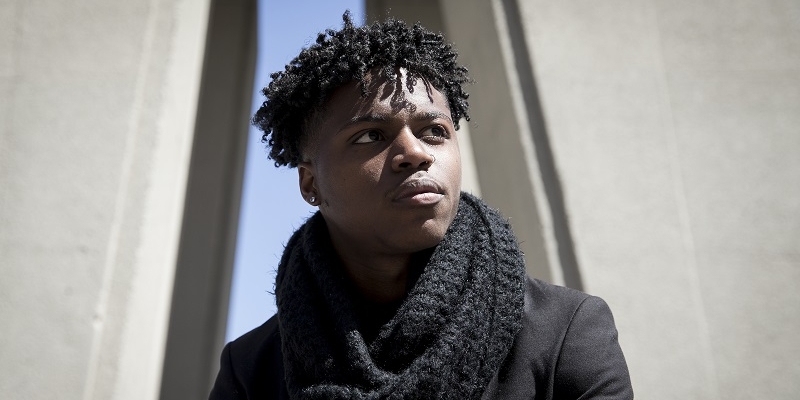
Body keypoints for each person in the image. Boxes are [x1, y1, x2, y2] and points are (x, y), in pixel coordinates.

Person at [209, 12, 633, 400]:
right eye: (370, 136)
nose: (415, 153)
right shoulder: (250, 370)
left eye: (434, 130)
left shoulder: (567, 331)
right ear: (310, 182)